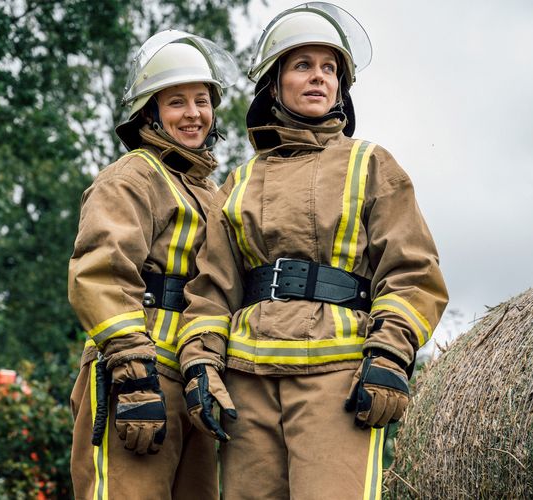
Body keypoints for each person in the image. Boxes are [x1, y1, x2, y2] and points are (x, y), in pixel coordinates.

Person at [175, 3, 449, 499]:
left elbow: (412, 274)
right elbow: (212, 289)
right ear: (273, 83)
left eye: (330, 69)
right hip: (247, 386)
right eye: (303, 65)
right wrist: (200, 365)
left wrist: (389, 355)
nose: (319, 78)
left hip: (338, 382)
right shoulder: (238, 182)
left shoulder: (372, 164)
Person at [67, 30, 238, 499]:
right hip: (136, 380)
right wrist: (134, 376)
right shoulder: (133, 176)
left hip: (192, 384)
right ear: (151, 112)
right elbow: (100, 273)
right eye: (176, 101)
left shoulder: (212, 192)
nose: (193, 114)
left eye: (202, 101)